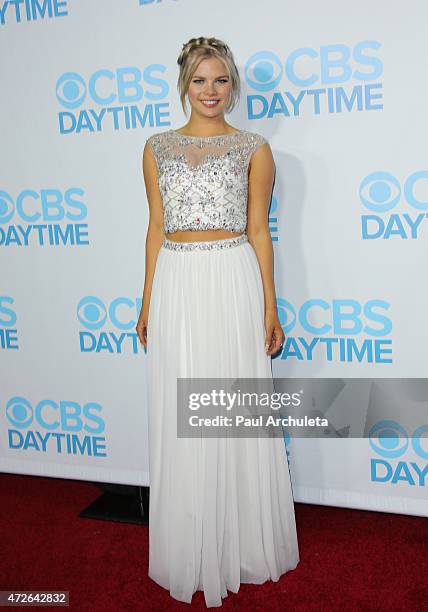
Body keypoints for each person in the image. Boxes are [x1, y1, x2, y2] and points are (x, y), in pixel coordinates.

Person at [136, 36, 299, 607]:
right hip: (178, 281)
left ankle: (241, 540)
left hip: (233, 279)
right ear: (184, 83)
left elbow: (259, 230)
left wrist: (270, 303)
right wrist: (147, 299)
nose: (211, 91)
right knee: (183, 406)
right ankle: (189, 542)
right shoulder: (156, 146)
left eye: (222, 80)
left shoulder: (254, 147)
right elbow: (156, 228)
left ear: (234, 86)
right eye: (201, 80)